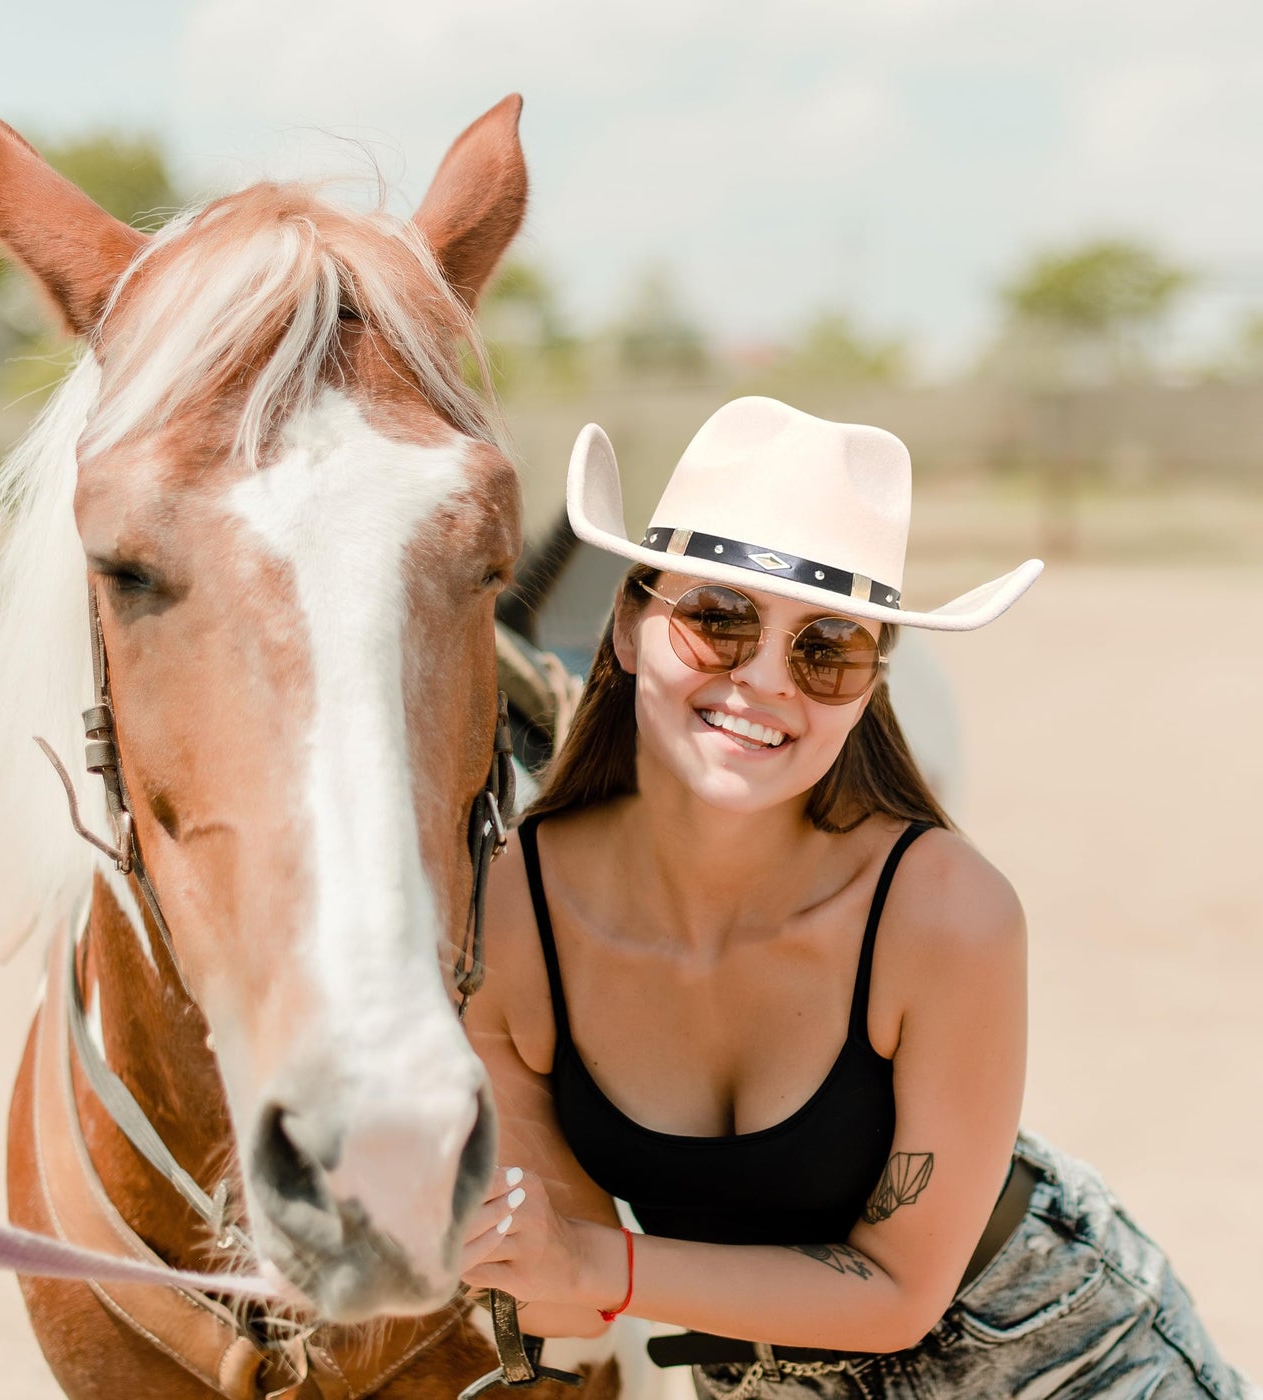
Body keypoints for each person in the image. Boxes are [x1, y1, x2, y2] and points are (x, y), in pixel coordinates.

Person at [459, 397, 1256, 1396]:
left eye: (824, 648)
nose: (761, 680)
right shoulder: (512, 910)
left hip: (1060, 1359)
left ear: (871, 681)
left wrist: (585, 1263)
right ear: (626, 621)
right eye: (717, 619)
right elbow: (556, 1296)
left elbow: (895, 1289)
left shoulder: (941, 912)